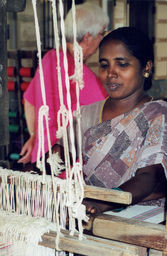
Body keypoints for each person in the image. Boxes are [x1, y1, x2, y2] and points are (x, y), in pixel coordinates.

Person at [80, 27, 167, 215]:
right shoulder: (85, 113)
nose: (111, 73)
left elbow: (149, 176)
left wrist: (104, 202)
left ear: (146, 67)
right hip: (89, 210)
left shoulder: (157, 113)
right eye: (104, 65)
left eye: (122, 64)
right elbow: (58, 157)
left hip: (140, 216)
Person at [18, 2, 109, 166]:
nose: (102, 39)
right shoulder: (82, 76)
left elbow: (29, 102)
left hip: (42, 157)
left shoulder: (49, 58)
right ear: (88, 37)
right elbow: (107, 117)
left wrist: (34, 136)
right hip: (65, 166)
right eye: (102, 34)